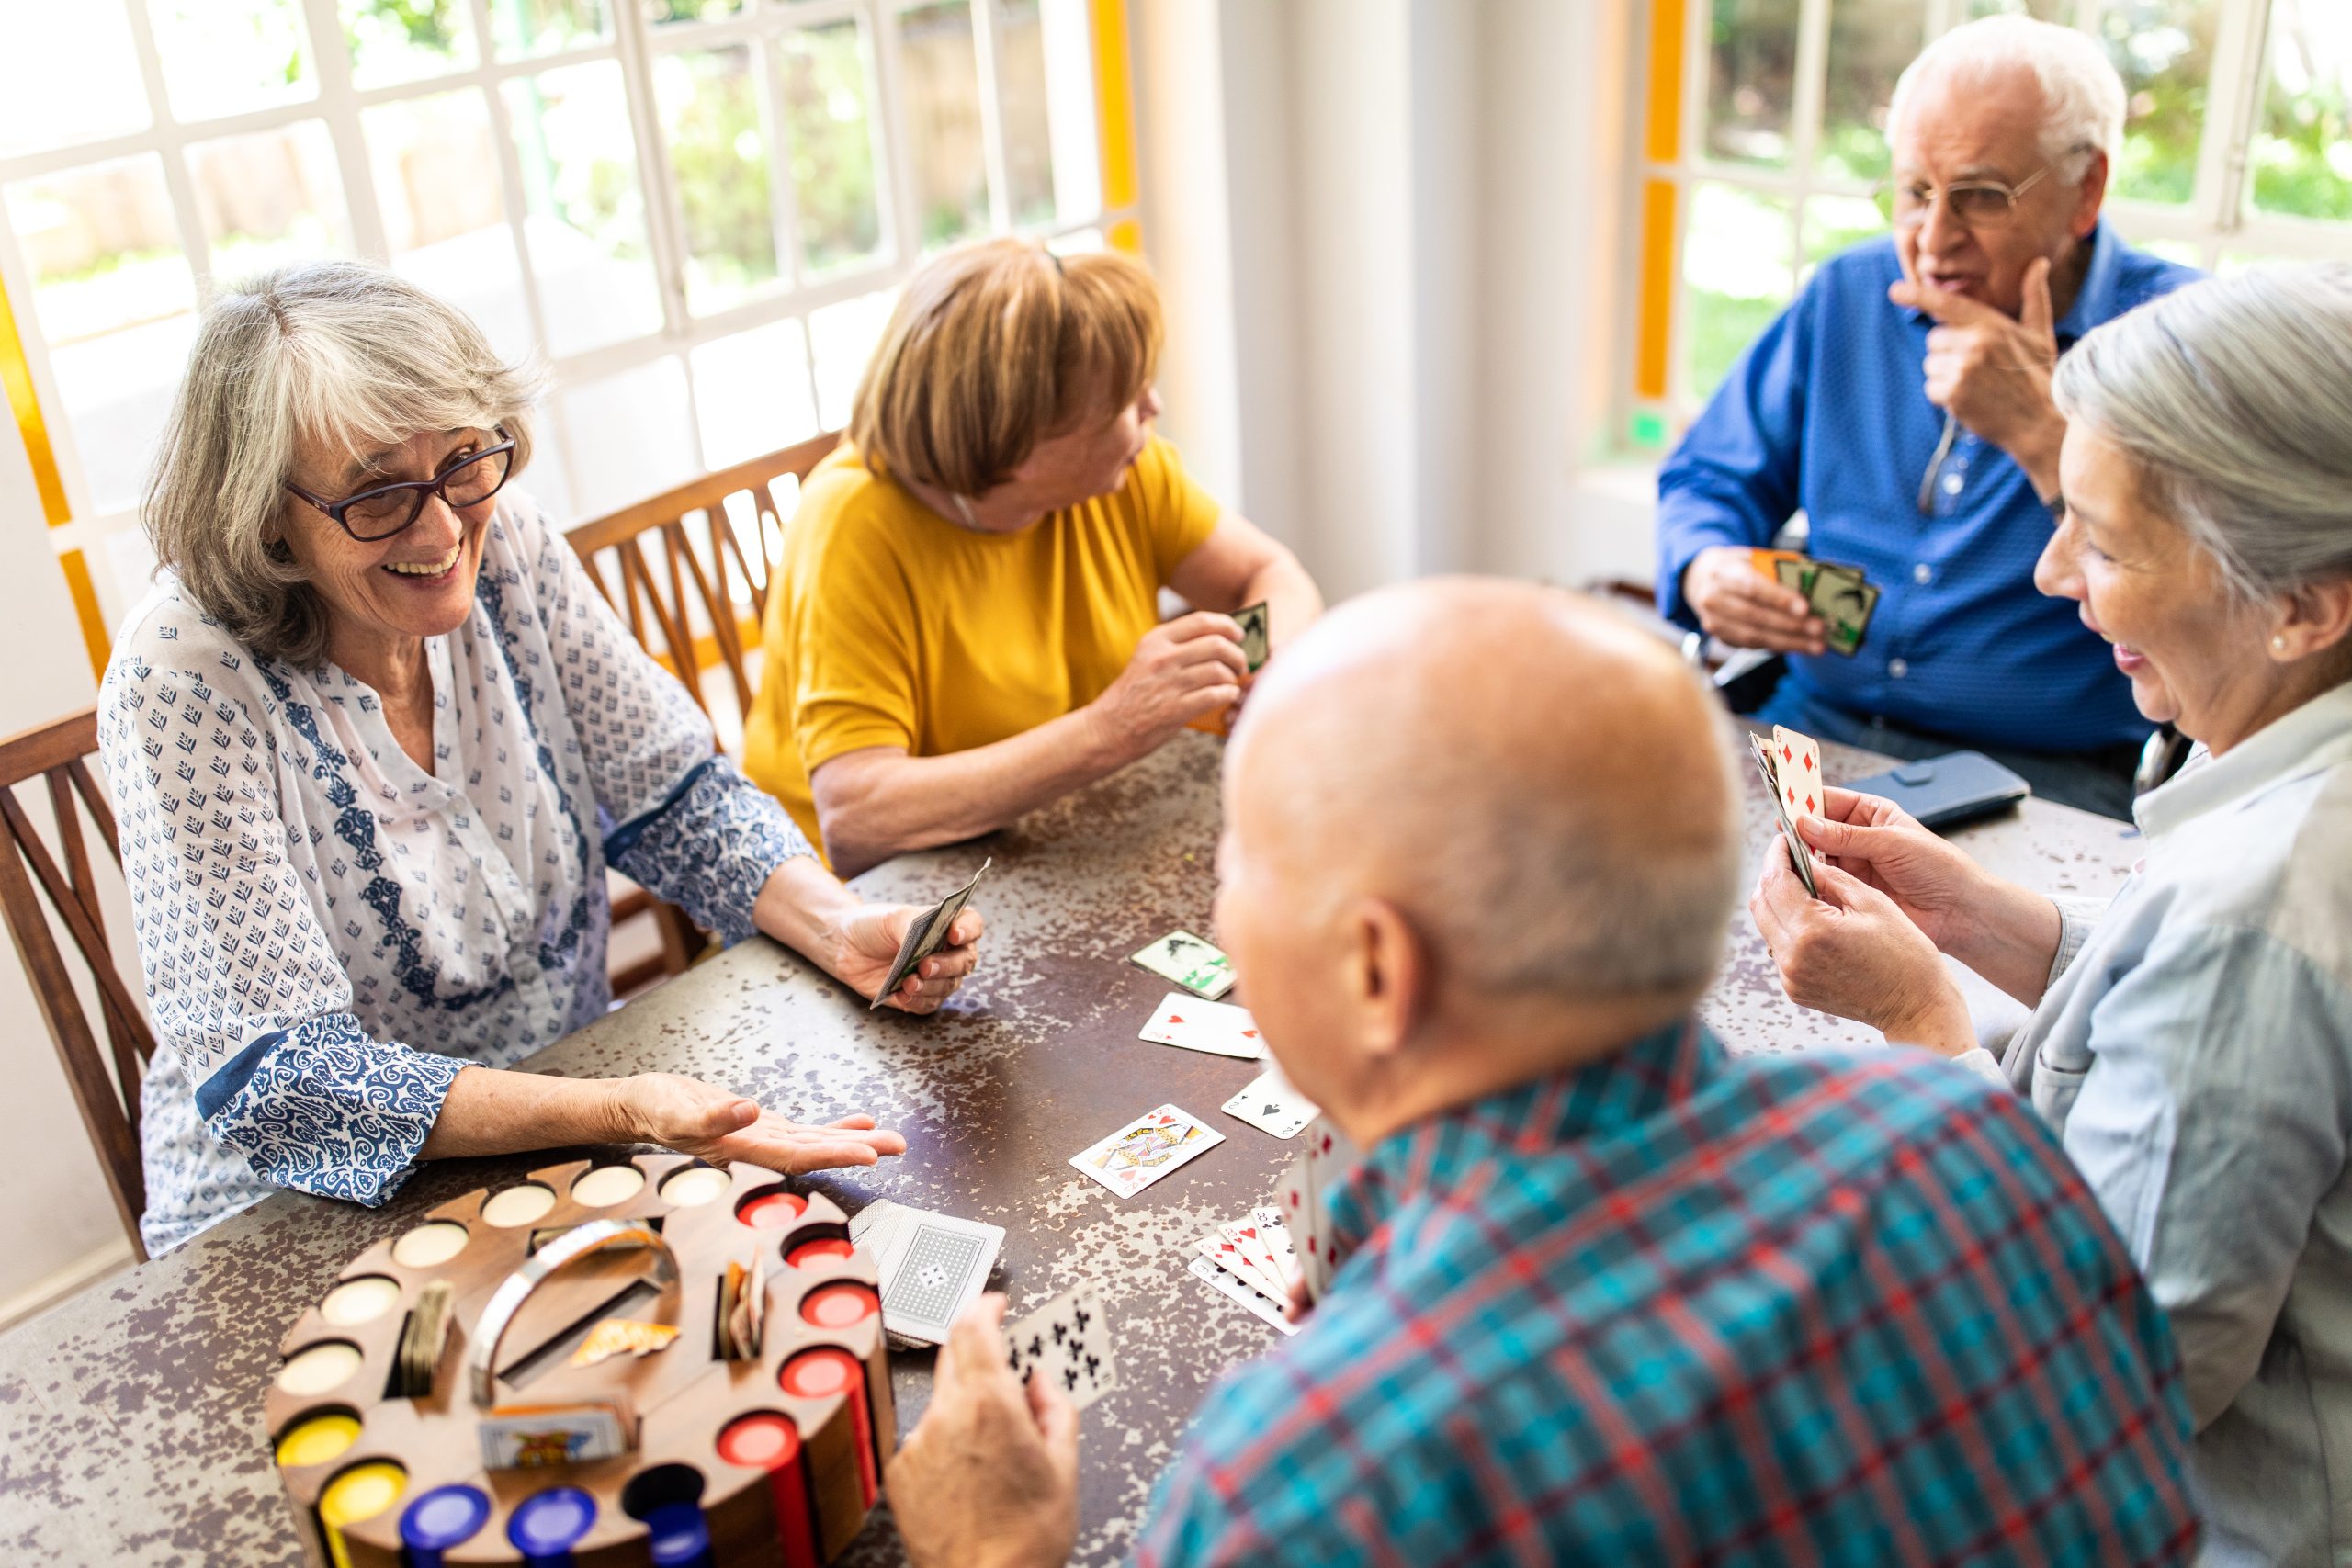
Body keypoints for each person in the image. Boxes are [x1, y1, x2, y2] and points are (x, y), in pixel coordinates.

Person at [884, 579, 2201, 1565]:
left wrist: (991, 1554)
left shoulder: (1299, 1485)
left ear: (1376, 967)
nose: (1220, 915)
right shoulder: (1974, 1136)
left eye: (1238, 859)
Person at [99, 262, 983, 1257]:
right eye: (378, 494)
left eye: (466, 460)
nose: (442, 530)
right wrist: (617, 1111)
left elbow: (676, 796)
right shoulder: (180, 678)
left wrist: (838, 925)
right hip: (291, 1218)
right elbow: (283, 1084)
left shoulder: (506, 537)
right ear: (267, 518)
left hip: (565, 1117)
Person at [1749, 263, 2352, 1566]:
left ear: (2302, 604)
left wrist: (1918, 1018)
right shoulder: (2295, 807)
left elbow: (2111, 1373)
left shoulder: (2257, 909)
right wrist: (1981, 915)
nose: (2050, 571)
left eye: (2108, 540)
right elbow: (2199, 1050)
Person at [1656, 16, 2199, 818]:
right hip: (1809, 728)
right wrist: (1705, 564)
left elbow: (2203, 591)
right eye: (1913, 193)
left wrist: (2044, 434)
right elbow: (1710, 474)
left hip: (2046, 777)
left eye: (1980, 196)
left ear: (2087, 190)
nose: (1934, 239)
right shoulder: (1847, 294)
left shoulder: (2182, 336)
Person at [740, 238, 1322, 875]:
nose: (1152, 408)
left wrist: (1261, 663)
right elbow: (857, 818)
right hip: (860, 904)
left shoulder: (1127, 469)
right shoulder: (852, 524)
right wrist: (1110, 728)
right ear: (1020, 438)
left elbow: (1273, 575)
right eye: (1124, 401)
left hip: (1047, 839)